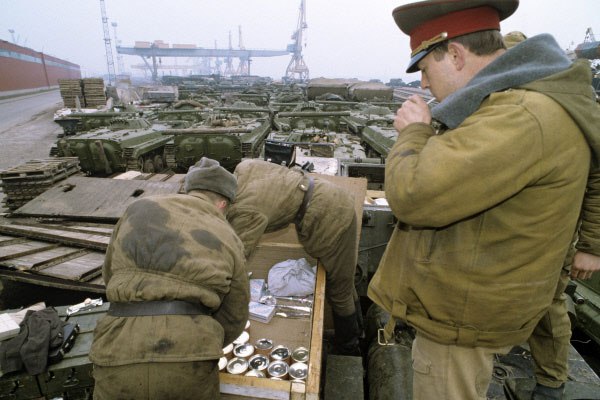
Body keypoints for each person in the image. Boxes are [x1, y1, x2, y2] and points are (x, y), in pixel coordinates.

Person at [367, 0, 600, 399]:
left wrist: (414, 132)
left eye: (425, 70)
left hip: (463, 311)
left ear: (455, 55)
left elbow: (412, 195)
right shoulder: (524, 100)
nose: (423, 85)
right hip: (483, 289)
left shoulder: (519, 115)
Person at [90, 157, 249, 400]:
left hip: (116, 347)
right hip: (190, 354)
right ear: (221, 203)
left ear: (190, 189)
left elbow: (109, 275)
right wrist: (206, 338)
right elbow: (235, 314)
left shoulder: (138, 209)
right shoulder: (227, 234)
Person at [502, 31, 600, 400]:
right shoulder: (518, 103)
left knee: (548, 307)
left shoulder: (573, 108)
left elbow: (597, 181)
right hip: (517, 229)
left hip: (554, 234)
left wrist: (591, 246)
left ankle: (551, 381)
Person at [227, 158, 362, 355]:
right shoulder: (244, 167)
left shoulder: (246, 211)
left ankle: (349, 348)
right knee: (345, 281)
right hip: (324, 196)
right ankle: (359, 332)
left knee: (339, 290)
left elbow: (235, 262)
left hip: (330, 216)